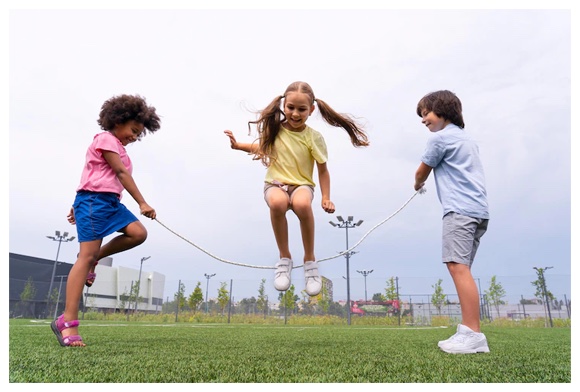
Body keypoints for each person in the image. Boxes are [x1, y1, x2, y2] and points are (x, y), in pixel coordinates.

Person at [224, 81, 368, 296]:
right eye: (291, 107)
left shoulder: (313, 137)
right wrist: (238, 146)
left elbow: (322, 170)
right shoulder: (275, 130)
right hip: (275, 183)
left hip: (301, 185)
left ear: (311, 110)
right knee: (277, 202)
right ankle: (284, 259)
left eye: (302, 109)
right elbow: (261, 148)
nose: (295, 113)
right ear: (284, 106)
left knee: (301, 204)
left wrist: (326, 197)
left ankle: (310, 260)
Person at [51, 94, 161, 347]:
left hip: (109, 203)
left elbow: (94, 173)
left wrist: (75, 203)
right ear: (118, 120)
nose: (134, 137)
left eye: (138, 134)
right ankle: (67, 322)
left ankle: (96, 259)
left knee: (137, 233)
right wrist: (142, 202)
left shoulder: (120, 148)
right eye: (133, 130)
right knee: (84, 257)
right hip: (94, 203)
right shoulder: (105, 139)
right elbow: (120, 173)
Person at [414, 90, 490, 354]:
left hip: (459, 211)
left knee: (457, 267)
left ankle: (473, 335)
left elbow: (422, 170)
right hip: (479, 211)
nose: (424, 120)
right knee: (462, 268)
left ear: (442, 110)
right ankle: (469, 332)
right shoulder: (468, 139)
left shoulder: (440, 139)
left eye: (426, 114)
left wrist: (417, 184)